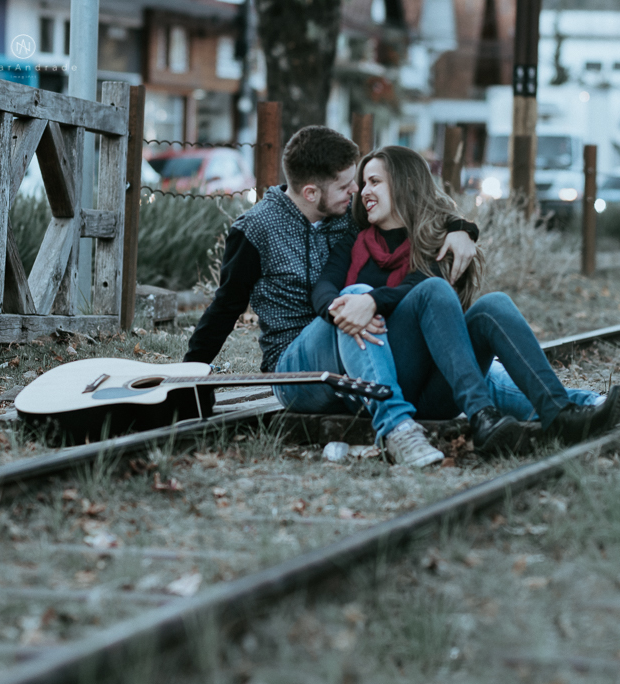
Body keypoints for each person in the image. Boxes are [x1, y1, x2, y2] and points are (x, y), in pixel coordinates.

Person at [311, 145, 620, 459]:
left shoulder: (436, 242)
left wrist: (376, 299)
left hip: (438, 383)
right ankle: (502, 413)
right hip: (386, 376)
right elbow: (324, 287)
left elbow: (421, 285)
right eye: (363, 184)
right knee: (494, 380)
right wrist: (345, 305)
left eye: (375, 181)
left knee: (494, 306)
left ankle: (565, 412)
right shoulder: (352, 241)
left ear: (404, 185)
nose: (364, 191)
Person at [182, 127, 480, 467]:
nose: (356, 191)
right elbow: (225, 307)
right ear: (311, 192)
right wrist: (190, 378)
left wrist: (462, 229)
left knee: (488, 375)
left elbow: (410, 212)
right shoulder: (256, 230)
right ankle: (398, 430)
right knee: (356, 296)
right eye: (345, 185)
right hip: (296, 371)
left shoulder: (345, 217)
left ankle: (543, 408)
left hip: (361, 360)